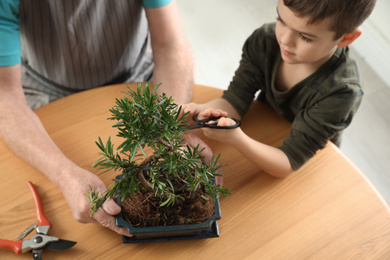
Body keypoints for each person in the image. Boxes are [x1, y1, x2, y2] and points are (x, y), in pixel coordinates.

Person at [0, 0, 192, 236]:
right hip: (46, 90)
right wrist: (64, 174)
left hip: (136, 75)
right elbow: (4, 94)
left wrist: (172, 130)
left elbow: (170, 44)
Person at [182, 0, 376, 178]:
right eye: (281, 20)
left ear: (346, 37)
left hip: (307, 164)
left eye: (305, 37)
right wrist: (203, 111)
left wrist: (236, 138)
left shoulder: (342, 92)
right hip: (265, 128)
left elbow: (288, 162)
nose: (285, 40)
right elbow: (235, 99)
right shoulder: (265, 41)